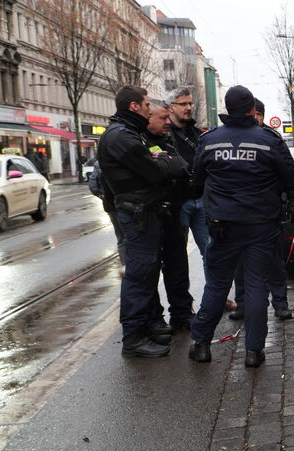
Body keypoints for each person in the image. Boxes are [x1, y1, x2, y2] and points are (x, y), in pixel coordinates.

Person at [188, 86, 294, 368]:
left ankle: (201, 344)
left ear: (226, 110)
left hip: (222, 226)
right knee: (255, 288)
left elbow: (196, 179)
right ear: (253, 110)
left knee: (216, 286)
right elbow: (293, 178)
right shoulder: (268, 140)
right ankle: (254, 351)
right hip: (260, 226)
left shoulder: (209, 140)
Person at [97, 85, 177, 357]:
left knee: (146, 272)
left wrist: (159, 159)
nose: (148, 109)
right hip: (137, 212)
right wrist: (164, 160)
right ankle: (133, 337)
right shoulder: (121, 136)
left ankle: (146, 325)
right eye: (145, 104)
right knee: (139, 275)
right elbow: (154, 171)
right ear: (133, 106)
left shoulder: (129, 133)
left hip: (144, 211)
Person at [167, 87, 237, 312]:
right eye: (183, 104)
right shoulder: (163, 134)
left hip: (201, 199)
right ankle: (182, 308)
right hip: (178, 202)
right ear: (171, 107)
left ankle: (218, 297)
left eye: (189, 103)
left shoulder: (197, 134)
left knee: (211, 251)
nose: (188, 108)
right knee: (177, 257)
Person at [229, 98, 293, 322]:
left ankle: (280, 303)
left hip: (268, 210)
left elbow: (289, 173)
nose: (252, 119)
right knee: (240, 265)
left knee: (275, 261)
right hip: (238, 213)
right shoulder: (232, 137)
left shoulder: (271, 138)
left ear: (261, 116)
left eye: (256, 115)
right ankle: (243, 305)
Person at [144, 100, 194, 332]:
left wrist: (167, 162)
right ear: (148, 118)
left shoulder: (166, 140)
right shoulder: (139, 141)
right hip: (150, 215)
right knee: (149, 269)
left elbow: (181, 167)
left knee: (177, 265)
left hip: (173, 210)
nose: (167, 123)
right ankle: (155, 319)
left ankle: (181, 314)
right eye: (162, 119)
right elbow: (169, 170)